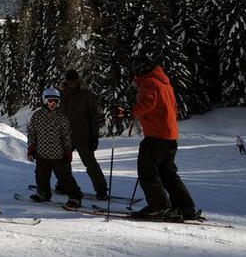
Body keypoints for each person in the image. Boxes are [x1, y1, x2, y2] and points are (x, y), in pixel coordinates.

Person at [120, 64, 201, 221]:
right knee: (167, 172)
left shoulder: (149, 82)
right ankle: (185, 206)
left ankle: (158, 207)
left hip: (156, 135)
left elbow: (148, 103)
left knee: (147, 171)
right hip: (169, 135)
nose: (134, 82)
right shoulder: (164, 83)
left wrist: (130, 111)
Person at [27, 88, 84, 209]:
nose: (53, 104)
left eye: (55, 101)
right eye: (50, 101)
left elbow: (67, 135)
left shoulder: (61, 117)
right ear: (45, 101)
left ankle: (75, 197)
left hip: (58, 154)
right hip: (42, 153)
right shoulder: (37, 116)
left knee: (64, 177)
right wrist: (31, 147)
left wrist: (68, 151)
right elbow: (32, 133)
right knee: (41, 175)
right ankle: (43, 193)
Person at [60, 69, 108, 200]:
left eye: (73, 81)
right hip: (66, 135)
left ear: (77, 80)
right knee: (63, 162)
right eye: (69, 81)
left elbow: (94, 116)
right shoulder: (62, 95)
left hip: (83, 135)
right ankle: (64, 185)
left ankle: (101, 190)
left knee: (90, 163)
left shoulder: (86, 95)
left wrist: (94, 136)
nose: (71, 84)